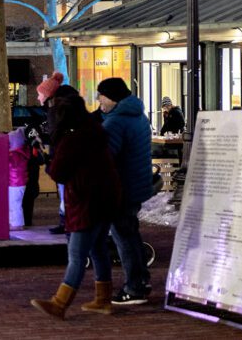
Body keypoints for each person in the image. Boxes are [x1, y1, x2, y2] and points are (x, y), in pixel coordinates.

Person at [31, 92, 121, 319]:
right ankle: (103, 299)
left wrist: (49, 156)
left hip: (85, 202)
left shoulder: (71, 140)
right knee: (98, 249)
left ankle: (60, 303)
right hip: (105, 198)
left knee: (77, 254)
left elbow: (59, 172)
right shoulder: (94, 130)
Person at [97, 77, 154, 305]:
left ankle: (135, 286)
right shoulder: (138, 116)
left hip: (120, 188)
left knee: (124, 236)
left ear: (112, 97)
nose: (98, 100)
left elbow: (105, 158)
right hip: (137, 185)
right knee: (130, 232)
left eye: (101, 95)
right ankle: (140, 280)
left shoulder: (115, 123)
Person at [37, 73, 65, 233]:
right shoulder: (55, 111)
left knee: (64, 191)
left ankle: (65, 222)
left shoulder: (55, 112)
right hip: (59, 157)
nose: (38, 97)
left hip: (61, 158)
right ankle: (65, 221)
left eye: (40, 94)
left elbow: (56, 136)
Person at [8, 128, 29, 230]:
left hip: (15, 182)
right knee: (14, 203)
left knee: (15, 203)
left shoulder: (15, 155)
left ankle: (17, 224)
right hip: (17, 182)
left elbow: (11, 166)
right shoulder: (22, 152)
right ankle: (13, 222)